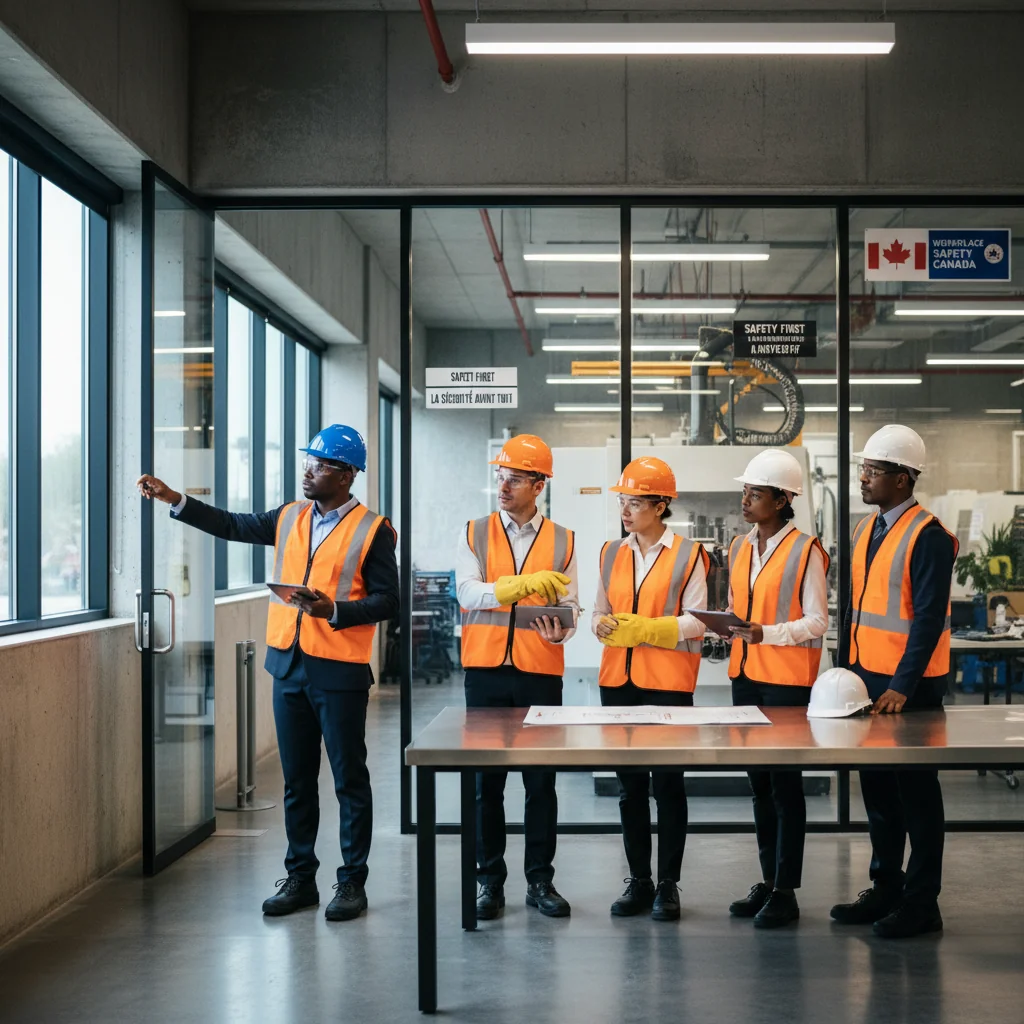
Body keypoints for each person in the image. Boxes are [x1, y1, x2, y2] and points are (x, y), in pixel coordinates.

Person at [137, 424, 398, 923]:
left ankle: (351, 882)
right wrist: (175, 499)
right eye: (309, 461)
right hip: (289, 666)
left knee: (349, 780)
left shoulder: (374, 530)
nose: (308, 471)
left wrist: (335, 610)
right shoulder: (289, 516)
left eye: (319, 465)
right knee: (297, 782)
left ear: (345, 476)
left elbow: (390, 600)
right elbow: (232, 524)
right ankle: (300, 877)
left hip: (339, 670)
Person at [832, 424, 958, 939]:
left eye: (874, 470)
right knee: (879, 791)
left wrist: (902, 686)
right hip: (867, 682)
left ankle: (922, 901)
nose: (863, 478)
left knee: (917, 794)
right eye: (863, 468)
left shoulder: (928, 536)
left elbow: (927, 619)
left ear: (903, 479)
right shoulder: (867, 529)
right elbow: (856, 608)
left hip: (912, 687)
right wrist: (845, 671)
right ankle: (886, 886)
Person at [456, 434, 579, 920]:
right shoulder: (474, 531)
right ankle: (489, 881)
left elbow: (569, 606)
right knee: (488, 783)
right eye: (500, 475)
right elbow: (466, 593)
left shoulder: (564, 539)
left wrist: (558, 633)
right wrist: (514, 587)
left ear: (539, 484)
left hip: (539, 674)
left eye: (514, 477)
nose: (503, 485)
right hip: (485, 672)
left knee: (540, 783)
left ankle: (540, 880)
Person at [594, 456, 709, 922]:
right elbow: (601, 614)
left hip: (668, 686)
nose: (626, 509)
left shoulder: (690, 554)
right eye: (623, 500)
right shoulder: (610, 552)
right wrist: (602, 626)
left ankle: (668, 885)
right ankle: (638, 880)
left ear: (661, 505)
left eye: (636, 501)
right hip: (617, 683)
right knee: (630, 789)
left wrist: (647, 629)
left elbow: (698, 621)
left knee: (668, 786)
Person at [722, 449, 830, 929]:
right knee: (759, 786)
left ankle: (786, 890)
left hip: (786, 683)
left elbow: (816, 622)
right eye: (744, 491)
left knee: (786, 789)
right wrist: (727, 629)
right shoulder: (740, 547)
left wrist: (767, 632)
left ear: (784, 499)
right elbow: (738, 609)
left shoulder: (807, 550)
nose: (746, 500)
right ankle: (768, 881)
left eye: (755, 493)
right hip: (745, 676)